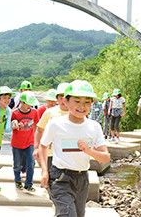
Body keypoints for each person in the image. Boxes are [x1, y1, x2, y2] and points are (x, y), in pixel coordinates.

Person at [39, 80, 110, 217]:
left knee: (77, 214)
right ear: (66, 101)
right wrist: (44, 171)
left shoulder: (94, 127)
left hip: (82, 178)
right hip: (60, 177)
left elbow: (105, 157)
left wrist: (89, 151)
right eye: (77, 101)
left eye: (87, 102)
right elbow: (43, 146)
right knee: (67, 214)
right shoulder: (56, 124)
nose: (82, 106)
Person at [33, 82, 69, 170]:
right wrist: (36, 148)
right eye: (61, 98)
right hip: (50, 153)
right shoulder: (50, 112)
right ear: (56, 98)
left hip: (68, 154)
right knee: (48, 178)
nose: (64, 101)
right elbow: (39, 130)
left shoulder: (76, 113)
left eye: (67, 98)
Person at [11, 91, 40, 192]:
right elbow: (11, 126)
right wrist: (15, 125)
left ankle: (28, 184)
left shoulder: (34, 112)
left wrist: (37, 140)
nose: (31, 106)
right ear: (22, 102)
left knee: (31, 163)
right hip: (17, 144)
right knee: (17, 164)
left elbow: (36, 125)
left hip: (30, 143)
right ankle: (18, 181)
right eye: (29, 103)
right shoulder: (14, 113)